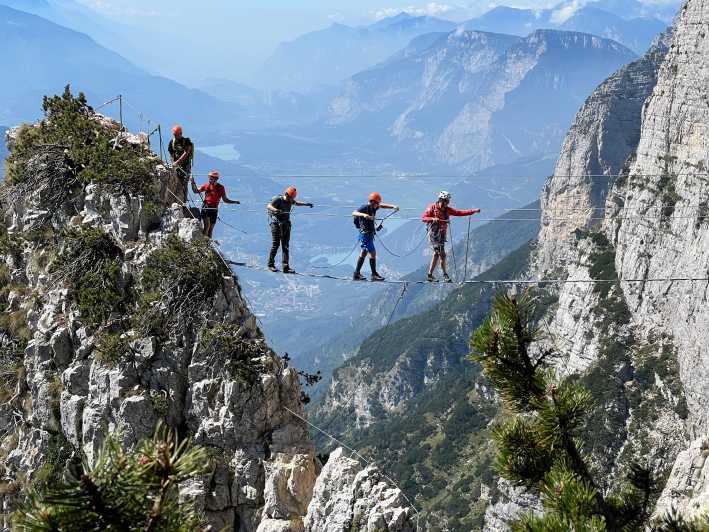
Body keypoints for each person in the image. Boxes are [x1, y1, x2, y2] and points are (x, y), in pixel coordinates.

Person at [421, 191, 480, 282]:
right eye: (446, 201)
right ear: (441, 200)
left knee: (437, 254)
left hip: (442, 235)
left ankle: (430, 275)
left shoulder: (447, 210)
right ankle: (444, 275)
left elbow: (459, 212)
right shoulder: (432, 208)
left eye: (448, 201)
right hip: (433, 234)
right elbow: (424, 218)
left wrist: (473, 211)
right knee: (441, 254)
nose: (448, 203)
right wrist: (432, 218)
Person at [352, 192, 399, 281]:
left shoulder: (374, 207)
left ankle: (356, 274)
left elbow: (382, 206)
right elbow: (354, 213)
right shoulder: (365, 207)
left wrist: (393, 206)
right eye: (377, 203)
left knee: (364, 252)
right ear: (373, 202)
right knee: (372, 253)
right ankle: (373, 274)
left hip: (368, 234)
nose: (378, 205)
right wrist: (364, 215)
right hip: (365, 235)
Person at [267, 186, 313, 273]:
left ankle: (286, 267)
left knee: (285, 245)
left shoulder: (290, 200)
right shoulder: (278, 199)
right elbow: (269, 206)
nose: (290, 200)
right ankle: (270, 265)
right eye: (289, 198)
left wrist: (306, 204)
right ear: (286, 194)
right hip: (276, 224)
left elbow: (297, 203)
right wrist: (276, 210)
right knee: (276, 244)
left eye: (292, 198)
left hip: (286, 224)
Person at [190, 170, 240, 238]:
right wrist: (192, 183)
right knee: (207, 226)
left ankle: (207, 245)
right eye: (209, 178)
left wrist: (234, 202)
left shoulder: (220, 188)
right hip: (206, 207)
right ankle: (203, 244)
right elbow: (196, 191)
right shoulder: (207, 185)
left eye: (211, 178)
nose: (210, 179)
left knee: (211, 229)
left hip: (214, 209)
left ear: (216, 179)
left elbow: (225, 199)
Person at [167, 125, 194, 202]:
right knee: (175, 181)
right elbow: (171, 154)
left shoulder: (186, 141)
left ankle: (183, 201)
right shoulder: (172, 142)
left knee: (184, 182)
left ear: (181, 133)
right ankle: (175, 200)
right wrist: (173, 163)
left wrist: (177, 162)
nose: (175, 136)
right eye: (174, 135)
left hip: (185, 166)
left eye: (177, 134)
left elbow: (186, 153)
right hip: (177, 166)